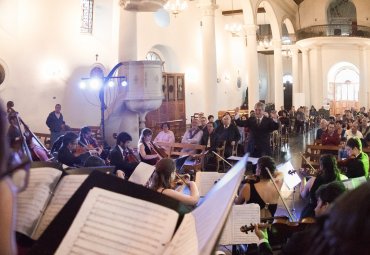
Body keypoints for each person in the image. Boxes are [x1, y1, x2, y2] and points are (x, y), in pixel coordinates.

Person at [254, 181, 346, 255]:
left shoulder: (303, 240)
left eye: (318, 202)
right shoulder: (351, 240)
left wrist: (263, 240)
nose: (315, 208)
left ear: (326, 205)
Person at [299, 154, 341, 219]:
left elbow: (303, 195)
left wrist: (303, 178)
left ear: (322, 167)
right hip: (333, 213)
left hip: (313, 213)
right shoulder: (339, 179)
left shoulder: (313, 180)